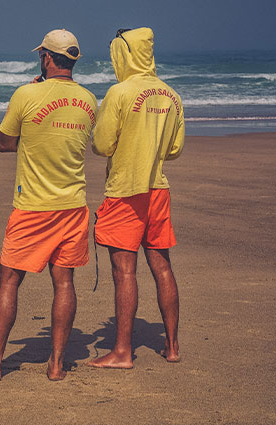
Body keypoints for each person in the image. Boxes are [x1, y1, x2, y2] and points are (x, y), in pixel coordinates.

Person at [0, 29, 97, 382]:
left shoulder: (27, 94)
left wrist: (32, 103)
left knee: (8, 279)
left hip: (33, 205)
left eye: (41, 55)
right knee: (64, 281)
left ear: (47, 58)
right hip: (73, 205)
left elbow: (5, 143)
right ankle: (56, 365)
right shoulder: (89, 100)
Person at [88, 27, 185, 369]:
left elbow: (101, 145)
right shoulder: (171, 94)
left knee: (124, 271)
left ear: (123, 54)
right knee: (162, 267)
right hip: (158, 187)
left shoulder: (120, 92)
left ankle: (122, 352)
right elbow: (174, 149)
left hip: (125, 190)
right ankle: (172, 346)